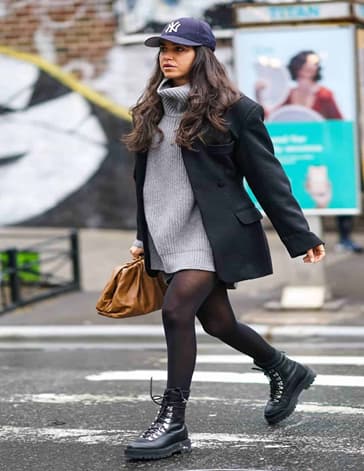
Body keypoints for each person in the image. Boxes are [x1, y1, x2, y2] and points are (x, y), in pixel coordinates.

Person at [123, 18, 326, 461]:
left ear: (204, 56)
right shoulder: (150, 108)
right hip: (166, 230)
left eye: (180, 48)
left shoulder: (236, 110)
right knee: (217, 323)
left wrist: (299, 234)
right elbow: (148, 181)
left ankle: (173, 421)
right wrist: (143, 234)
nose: (167, 55)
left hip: (211, 232)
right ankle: (284, 368)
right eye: (163, 47)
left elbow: (267, 177)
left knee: (177, 310)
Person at [257, 50, 363, 253]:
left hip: (322, 152)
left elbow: (337, 124)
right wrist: (260, 93)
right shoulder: (288, 93)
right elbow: (272, 116)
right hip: (298, 151)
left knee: (333, 191)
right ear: (299, 65)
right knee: (294, 191)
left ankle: (344, 236)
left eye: (315, 63)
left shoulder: (324, 94)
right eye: (309, 62)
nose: (312, 66)